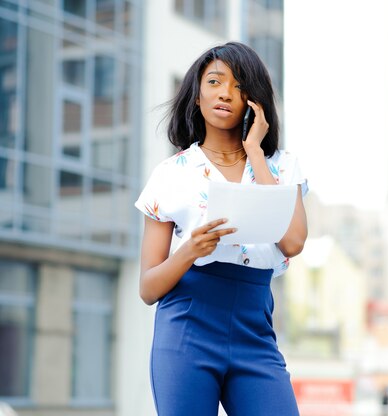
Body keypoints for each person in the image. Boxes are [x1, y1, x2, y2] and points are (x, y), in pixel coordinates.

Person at [134, 42, 307, 416]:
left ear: (253, 101)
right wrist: (189, 251)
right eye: (215, 81)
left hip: (254, 328)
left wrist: (257, 152)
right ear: (197, 95)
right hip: (187, 327)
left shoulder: (282, 166)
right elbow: (148, 289)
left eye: (239, 85)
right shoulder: (170, 174)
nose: (226, 93)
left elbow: (292, 242)